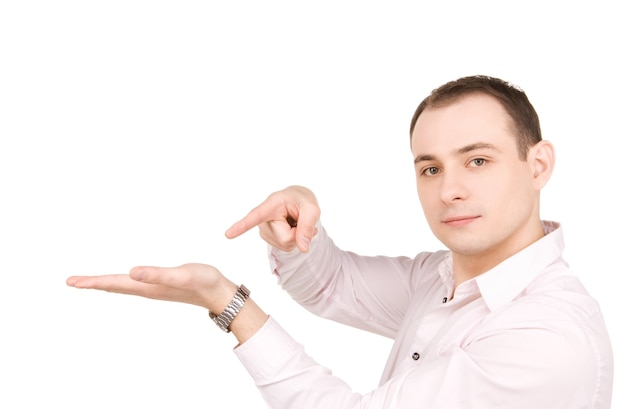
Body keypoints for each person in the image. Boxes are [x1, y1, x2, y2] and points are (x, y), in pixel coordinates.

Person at [66, 75, 614, 408]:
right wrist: (296, 222)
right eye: (429, 169)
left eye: (477, 160)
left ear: (537, 164)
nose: (450, 190)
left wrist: (227, 304)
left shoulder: (547, 337)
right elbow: (331, 284)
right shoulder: (443, 276)